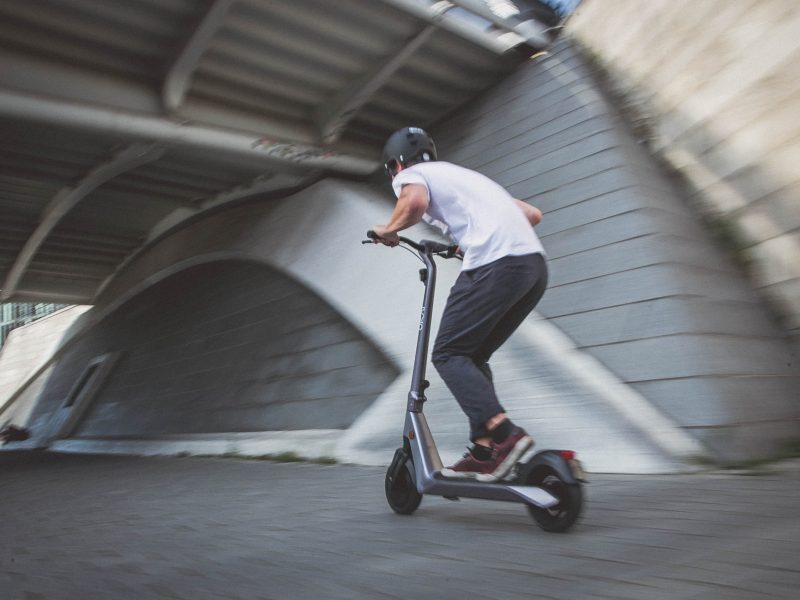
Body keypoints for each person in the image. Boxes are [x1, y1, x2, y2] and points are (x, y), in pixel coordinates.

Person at [371, 126, 548, 482]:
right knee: (472, 356)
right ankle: (484, 451)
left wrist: (389, 229)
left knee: (448, 354)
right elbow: (532, 215)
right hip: (532, 268)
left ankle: (504, 434)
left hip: (495, 265)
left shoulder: (413, 176)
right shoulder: (465, 177)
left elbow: (415, 203)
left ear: (396, 165)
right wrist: (461, 244)